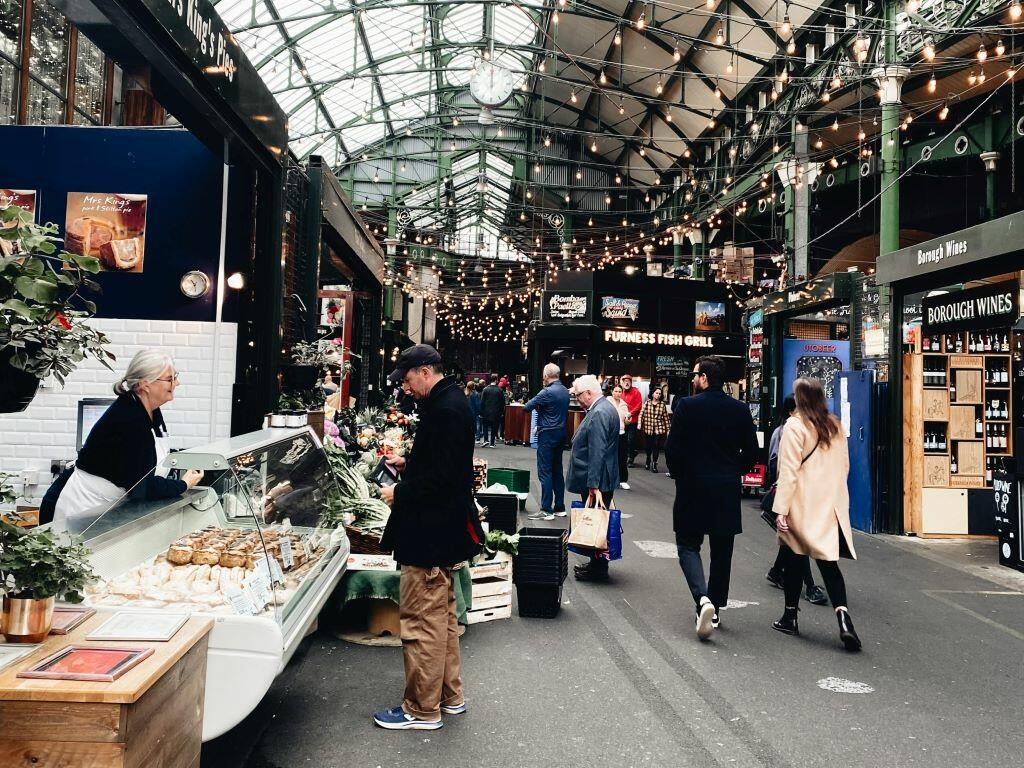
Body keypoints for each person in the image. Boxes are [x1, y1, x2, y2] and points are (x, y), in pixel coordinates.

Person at [374, 344, 483, 730]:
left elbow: (444, 479)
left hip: (430, 533)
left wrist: (398, 492)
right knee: (443, 619)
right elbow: (444, 464)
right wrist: (411, 463)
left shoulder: (447, 410)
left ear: (424, 371)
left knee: (421, 621)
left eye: (406, 379)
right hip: (444, 530)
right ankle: (450, 697)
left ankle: (421, 709)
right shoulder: (449, 401)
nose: (405, 387)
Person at [44, 350, 204, 531]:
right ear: (145, 384)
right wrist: (183, 485)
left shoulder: (149, 410)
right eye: (170, 379)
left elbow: (147, 459)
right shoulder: (129, 419)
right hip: (83, 508)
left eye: (175, 377)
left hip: (109, 507)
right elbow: (140, 486)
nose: (177, 383)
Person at [664, 356, 758, 641]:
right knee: (722, 550)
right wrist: (734, 471)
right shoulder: (740, 410)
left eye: (695, 374)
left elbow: (672, 448)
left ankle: (701, 598)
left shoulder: (687, 406)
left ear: (704, 377)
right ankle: (714, 606)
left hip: (692, 485)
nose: (693, 379)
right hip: (726, 488)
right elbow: (752, 452)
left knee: (688, 545)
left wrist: (680, 474)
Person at [771, 377, 861, 652]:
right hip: (829, 505)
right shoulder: (834, 425)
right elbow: (844, 468)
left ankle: (790, 616)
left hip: (802, 503)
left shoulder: (795, 426)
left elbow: (788, 471)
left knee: (795, 559)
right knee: (829, 565)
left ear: (799, 398)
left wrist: (781, 509)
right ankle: (844, 619)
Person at [765, 395, 828, 605]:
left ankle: (776, 572)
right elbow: (776, 462)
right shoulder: (784, 431)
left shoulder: (803, 429)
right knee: (799, 541)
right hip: (792, 495)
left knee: (792, 541)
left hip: (803, 495)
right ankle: (809, 586)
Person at [566, 375, 620, 582]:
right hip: (603, 476)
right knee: (599, 522)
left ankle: (598, 569)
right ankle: (596, 566)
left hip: (598, 478)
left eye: (579, 395)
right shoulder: (605, 408)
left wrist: (593, 484)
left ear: (589, 393)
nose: (577, 399)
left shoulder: (598, 412)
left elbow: (597, 451)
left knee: (596, 523)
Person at [524, 364, 571, 521]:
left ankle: (546, 509)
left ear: (545, 376)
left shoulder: (546, 391)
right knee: (557, 470)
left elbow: (527, 407)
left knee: (545, 472)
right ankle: (560, 508)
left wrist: (539, 406)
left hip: (547, 434)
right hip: (561, 433)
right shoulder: (565, 390)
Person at [638, 388, 671, 473]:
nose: (658, 395)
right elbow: (641, 414)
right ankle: (648, 458)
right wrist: (639, 424)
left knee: (656, 445)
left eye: (660, 394)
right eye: (656, 393)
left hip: (658, 429)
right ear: (653, 394)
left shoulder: (662, 404)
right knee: (648, 447)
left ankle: (654, 464)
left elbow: (666, 417)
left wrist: (668, 429)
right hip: (648, 428)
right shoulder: (647, 403)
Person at [610, 385, 631, 490]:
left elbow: (626, 422)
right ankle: (609, 478)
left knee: (622, 457)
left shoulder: (624, 404)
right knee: (610, 457)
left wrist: (628, 419)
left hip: (621, 432)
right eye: (616, 391)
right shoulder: (607, 402)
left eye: (619, 391)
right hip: (610, 433)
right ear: (612, 392)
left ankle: (623, 480)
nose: (618, 393)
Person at [619, 374, 642, 466]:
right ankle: (630, 454)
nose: (627, 383)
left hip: (633, 420)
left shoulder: (636, 392)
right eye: (625, 381)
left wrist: (630, 413)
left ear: (631, 382)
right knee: (624, 439)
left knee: (631, 439)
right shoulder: (621, 393)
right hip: (623, 420)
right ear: (623, 383)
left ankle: (631, 457)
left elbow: (639, 405)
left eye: (628, 381)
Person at [479, 375, 505, 447]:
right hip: (496, 412)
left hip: (486, 411)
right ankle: (492, 443)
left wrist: (481, 412)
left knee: (485, 426)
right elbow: (502, 402)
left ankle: (486, 440)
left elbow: (482, 402)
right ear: (496, 380)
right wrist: (502, 412)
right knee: (494, 427)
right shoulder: (500, 390)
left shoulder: (485, 389)